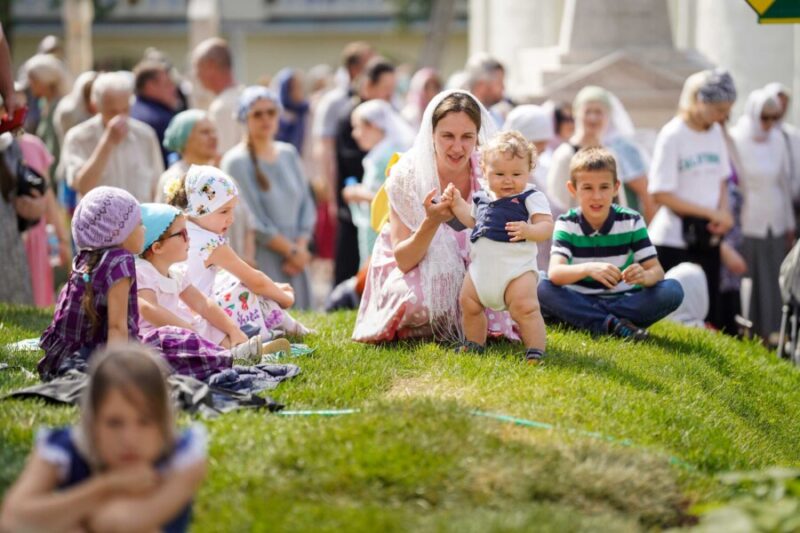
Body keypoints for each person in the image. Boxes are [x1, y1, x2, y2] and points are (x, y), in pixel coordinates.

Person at [353, 90, 518, 343]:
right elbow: (404, 260)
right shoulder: (408, 175)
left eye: (467, 137)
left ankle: (460, 318)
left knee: (508, 290)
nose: (457, 147)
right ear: (431, 134)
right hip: (416, 266)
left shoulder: (489, 172)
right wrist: (431, 222)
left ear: (477, 137)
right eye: (447, 136)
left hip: (477, 267)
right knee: (418, 301)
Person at [0, 344, 207, 533]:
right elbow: (11, 519)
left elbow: (115, 523)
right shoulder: (67, 446)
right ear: (93, 422)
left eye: (145, 422)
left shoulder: (183, 459)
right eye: (114, 423)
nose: (129, 438)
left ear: (162, 421)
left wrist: (66, 519)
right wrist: (106, 486)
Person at [37, 186, 234, 381]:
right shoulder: (120, 262)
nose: (144, 229)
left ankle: (223, 353)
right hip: (96, 359)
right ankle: (223, 357)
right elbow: (117, 327)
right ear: (119, 232)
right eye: (139, 224)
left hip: (61, 358)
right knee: (170, 341)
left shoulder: (86, 258)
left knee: (169, 341)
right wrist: (116, 376)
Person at [538, 147, 683, 341]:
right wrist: (588, 269)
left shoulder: (632, 220)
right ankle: (614, 325)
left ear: (615, 188)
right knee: (539, 283)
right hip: (579, 297)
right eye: (587, 188)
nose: (597, 196)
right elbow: (555, 273)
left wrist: (644, 276)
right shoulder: (566, 223)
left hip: (623, 301)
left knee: (672, 289)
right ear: (573, 189)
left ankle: (586, 319)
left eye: (604, 187)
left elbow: (656, 271)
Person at [443, 130, 553, 362]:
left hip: (516, 271)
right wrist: (457, 203)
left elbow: (546, 226)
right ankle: (475, 343)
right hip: (481, 273)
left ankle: (535, 350)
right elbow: (472, 221)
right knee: (468, 303)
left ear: (528, 171)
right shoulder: (482, 197)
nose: (508, 180)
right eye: (500, 173)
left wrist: (529, 230)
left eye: (516, 174)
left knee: (526, 308)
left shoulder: (530, 196)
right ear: (484, 170)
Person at [165, 164, 310, 337]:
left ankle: (288, 329)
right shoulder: (210, 244)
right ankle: (289, 331)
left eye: (232, 210)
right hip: (201, 319)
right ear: (199, 210)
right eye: (224, 211)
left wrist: (274, 288)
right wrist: (285, 298)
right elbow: (256, 281)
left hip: (179, 315)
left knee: (229, 279)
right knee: (244, 287)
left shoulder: (183, 230)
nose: (231, 219)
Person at [647, 69, 736, 330]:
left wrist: (723, 213)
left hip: (707, 237)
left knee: (708, 316)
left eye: (727, 111)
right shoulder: (673, 134)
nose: (723, 116)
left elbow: (722, 179)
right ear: (699, 101)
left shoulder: (715, 132)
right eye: (718, 109)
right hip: (673, 239)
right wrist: (710, 213)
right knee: (672, 317)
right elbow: (660, 193)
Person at [138, 203, 280, 360]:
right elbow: (148, 309)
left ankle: (238, 349)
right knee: (188, 337)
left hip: (183, 329)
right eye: (182, 234)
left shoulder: (176, 273)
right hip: (157, 338)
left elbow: (203, 304)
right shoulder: (143, 271)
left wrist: (233, 330)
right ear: (157, 247)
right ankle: (231, 356)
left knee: (207, 325)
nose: (188, 238)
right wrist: (186, 329)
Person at [221, 87, 317, 309]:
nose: (265, 118)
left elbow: (306, 203)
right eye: (257, 114)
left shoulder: (289, 153)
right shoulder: (235, 161)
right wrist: (290, 251)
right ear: (244, 118)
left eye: (271, 112)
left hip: (297, 251)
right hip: (265, 254)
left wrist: (300, 247)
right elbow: (252, 217)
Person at [731, 89, 794, 343]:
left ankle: (775, 333)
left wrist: (789, 223)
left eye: (774, 118)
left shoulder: (778, 139)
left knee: (774, 277)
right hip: (748, 220)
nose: (769, 124)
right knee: (751, 278)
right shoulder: (737, 138)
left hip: (775, 218)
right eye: (764, 117)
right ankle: (751, 333)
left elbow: (784, 182)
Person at [547, 86, 655, 221]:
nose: (593, 118)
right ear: (577, 114)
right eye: (587, 112)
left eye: (598, 112)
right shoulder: (565, 155)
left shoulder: (611, 155)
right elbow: (557, 204)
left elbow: (618, 201)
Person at [333, 57, 396, 285]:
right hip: (365, 223)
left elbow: (391, 197)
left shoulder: (385, 157)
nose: (390, 95)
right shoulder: (351, 118)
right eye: (386, 88)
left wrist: (360, 193)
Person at [59, 71, 164, 202]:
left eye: (125, 110)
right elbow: (83, 186)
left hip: (140, 215)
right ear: (95, 106)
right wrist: (107, 142)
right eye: (112, 112)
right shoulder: (78, 137)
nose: (120, 117)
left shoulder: (146, 135)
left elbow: (158, 187)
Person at [344, 98, 415, 264]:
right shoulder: (379, 155)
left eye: (357, 127)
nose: (355, 134)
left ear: (373, 126)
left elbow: (396, 198)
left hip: (384, 233)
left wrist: (361, 195)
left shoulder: (388, 157)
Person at [191, 37, 243, 155]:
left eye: (197, 67)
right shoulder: (245, 97)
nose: (196, 74)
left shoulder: (222, 108)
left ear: (211, 65)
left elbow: (221, 156)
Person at [155, 109, 218, 202]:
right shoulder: (173, 180)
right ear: (183, 138)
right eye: (205, 132)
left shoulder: (221, 175)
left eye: (214, 131)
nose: (213, 137)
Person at [131, 59, 179, 167]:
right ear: (150, 86)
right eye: (167, 84)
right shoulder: (160, 119)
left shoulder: (131, 110)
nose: (173, 89)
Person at [273, 68, 310, 153]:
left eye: (299, 86)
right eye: (292, 88)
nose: (297, 91)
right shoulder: (275, 115)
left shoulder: (307, 110)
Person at [464, 53, 506, 127]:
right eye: (499, 82)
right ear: (481, 86)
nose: (503, 87)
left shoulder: (496, 115)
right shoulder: (464, 117)